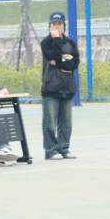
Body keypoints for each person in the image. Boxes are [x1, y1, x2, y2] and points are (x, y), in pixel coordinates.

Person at [40, 11, 80, 160]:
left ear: (64, 25)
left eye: (59, 24)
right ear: (50, 25)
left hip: (67, 87)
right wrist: (57, 42)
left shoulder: (71, 43)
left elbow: (74, 63)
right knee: (50, 122)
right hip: (51, 87)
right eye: (54, 24)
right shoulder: (46, 43)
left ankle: (64, 148)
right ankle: (51, 150)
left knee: (66, 123)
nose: (57, 27)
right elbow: (54, 56)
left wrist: (60, 62)